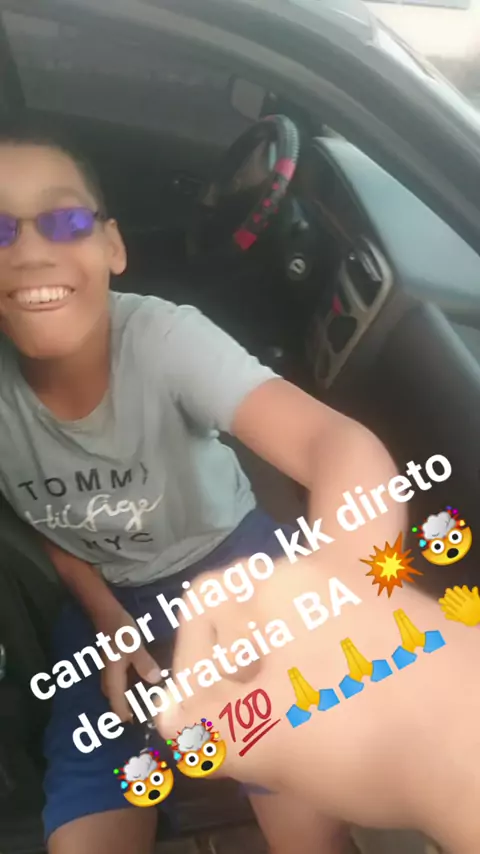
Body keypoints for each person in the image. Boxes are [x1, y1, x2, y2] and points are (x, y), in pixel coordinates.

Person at [0, 118, 399, 854]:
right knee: (86, 811)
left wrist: (327, 602)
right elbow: (39, 521)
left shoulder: (163, 340)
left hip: (234, 564)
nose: (28, 250)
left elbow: (337, 445)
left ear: (113, 246)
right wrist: (106, 618)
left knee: (297, 786)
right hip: (103, 604)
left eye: (64, 221)